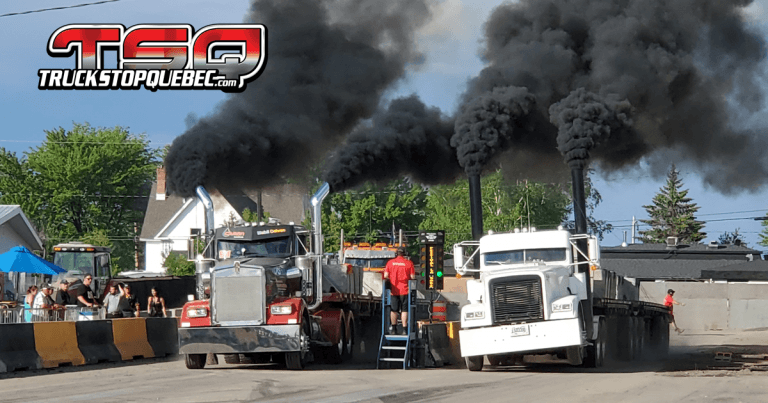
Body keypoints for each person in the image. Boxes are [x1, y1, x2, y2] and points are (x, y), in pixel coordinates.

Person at [383, 247, 416, 335]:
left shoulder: (390, 263)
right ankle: (405, 330)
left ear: (396, 253)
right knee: (404, 310)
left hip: (394, 291)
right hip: (405, 290)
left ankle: (394, 329)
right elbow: (413, 277)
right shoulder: (409, 263)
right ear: (405, 254)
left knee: (393, 310)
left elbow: (385, 275)